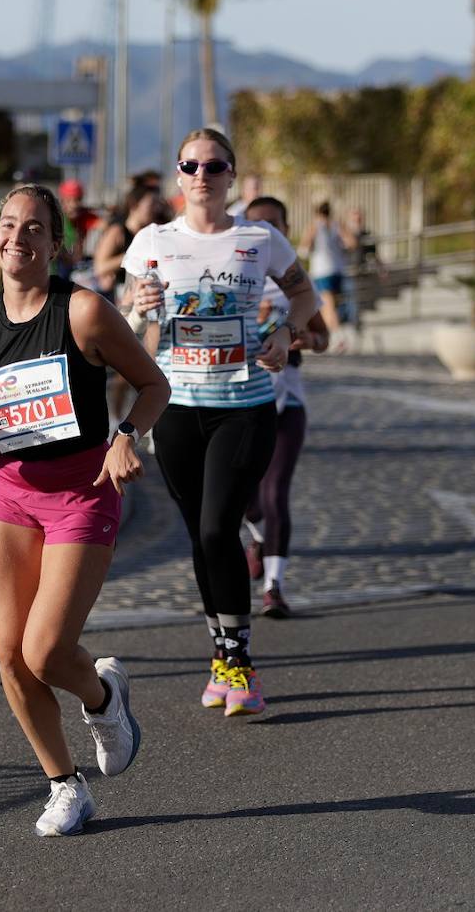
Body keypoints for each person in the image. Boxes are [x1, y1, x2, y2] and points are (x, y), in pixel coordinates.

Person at [0, 184, 170, 837]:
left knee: (47, 649)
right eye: (8, 226)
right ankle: (65, 784)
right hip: (12, 494)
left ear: (56, 245)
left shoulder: (83, 313)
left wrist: (125, 438)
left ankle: (104, 698)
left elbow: (152, 385)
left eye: (33, 229)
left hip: (84, 490)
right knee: (9, 654)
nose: (17, 238)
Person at [122, 128, 318, 716]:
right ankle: (221, 659)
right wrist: (140, 309)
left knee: (217, 529)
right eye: (191, 165)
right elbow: (129, 324)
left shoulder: (260, 238)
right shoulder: (151, 241)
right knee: (201, 538)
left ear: (232, 175)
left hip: (247, 404)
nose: (202, 176)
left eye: (214, 166)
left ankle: (240, 662)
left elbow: (305, 297)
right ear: (178, 176)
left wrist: (285, 331)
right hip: (176, 407)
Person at [241, 196, 330, 617]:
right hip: (237, 401)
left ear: (286, 230)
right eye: (257, 224)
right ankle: (257, 536)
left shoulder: (295, 285)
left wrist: (303, 339)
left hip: (286, 402)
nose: (265, 233)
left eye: (274, 225)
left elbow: (323, 338)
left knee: (276, 494)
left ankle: (274, 586)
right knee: (244, 497)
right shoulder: (231, 277)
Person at [94, 183, 166, 431]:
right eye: (151, 203)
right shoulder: (119, 231)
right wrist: (131, 257)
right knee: (125, 370)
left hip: (151, 306)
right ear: (135, 204)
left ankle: (149, 419)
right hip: (120, 306)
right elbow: (100, 266)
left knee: (151, 363)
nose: (156, 207)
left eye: (158, 203)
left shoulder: (155, 235)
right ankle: (115, 418)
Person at [297, 201, 346, 336]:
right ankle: (330, 334)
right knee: (331, 304)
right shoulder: (336, 225)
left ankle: (336, 334)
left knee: (327, 305)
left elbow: (303, 250)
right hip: (338, 268)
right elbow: (350, 242)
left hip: (322, 270)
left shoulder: (314, 226)